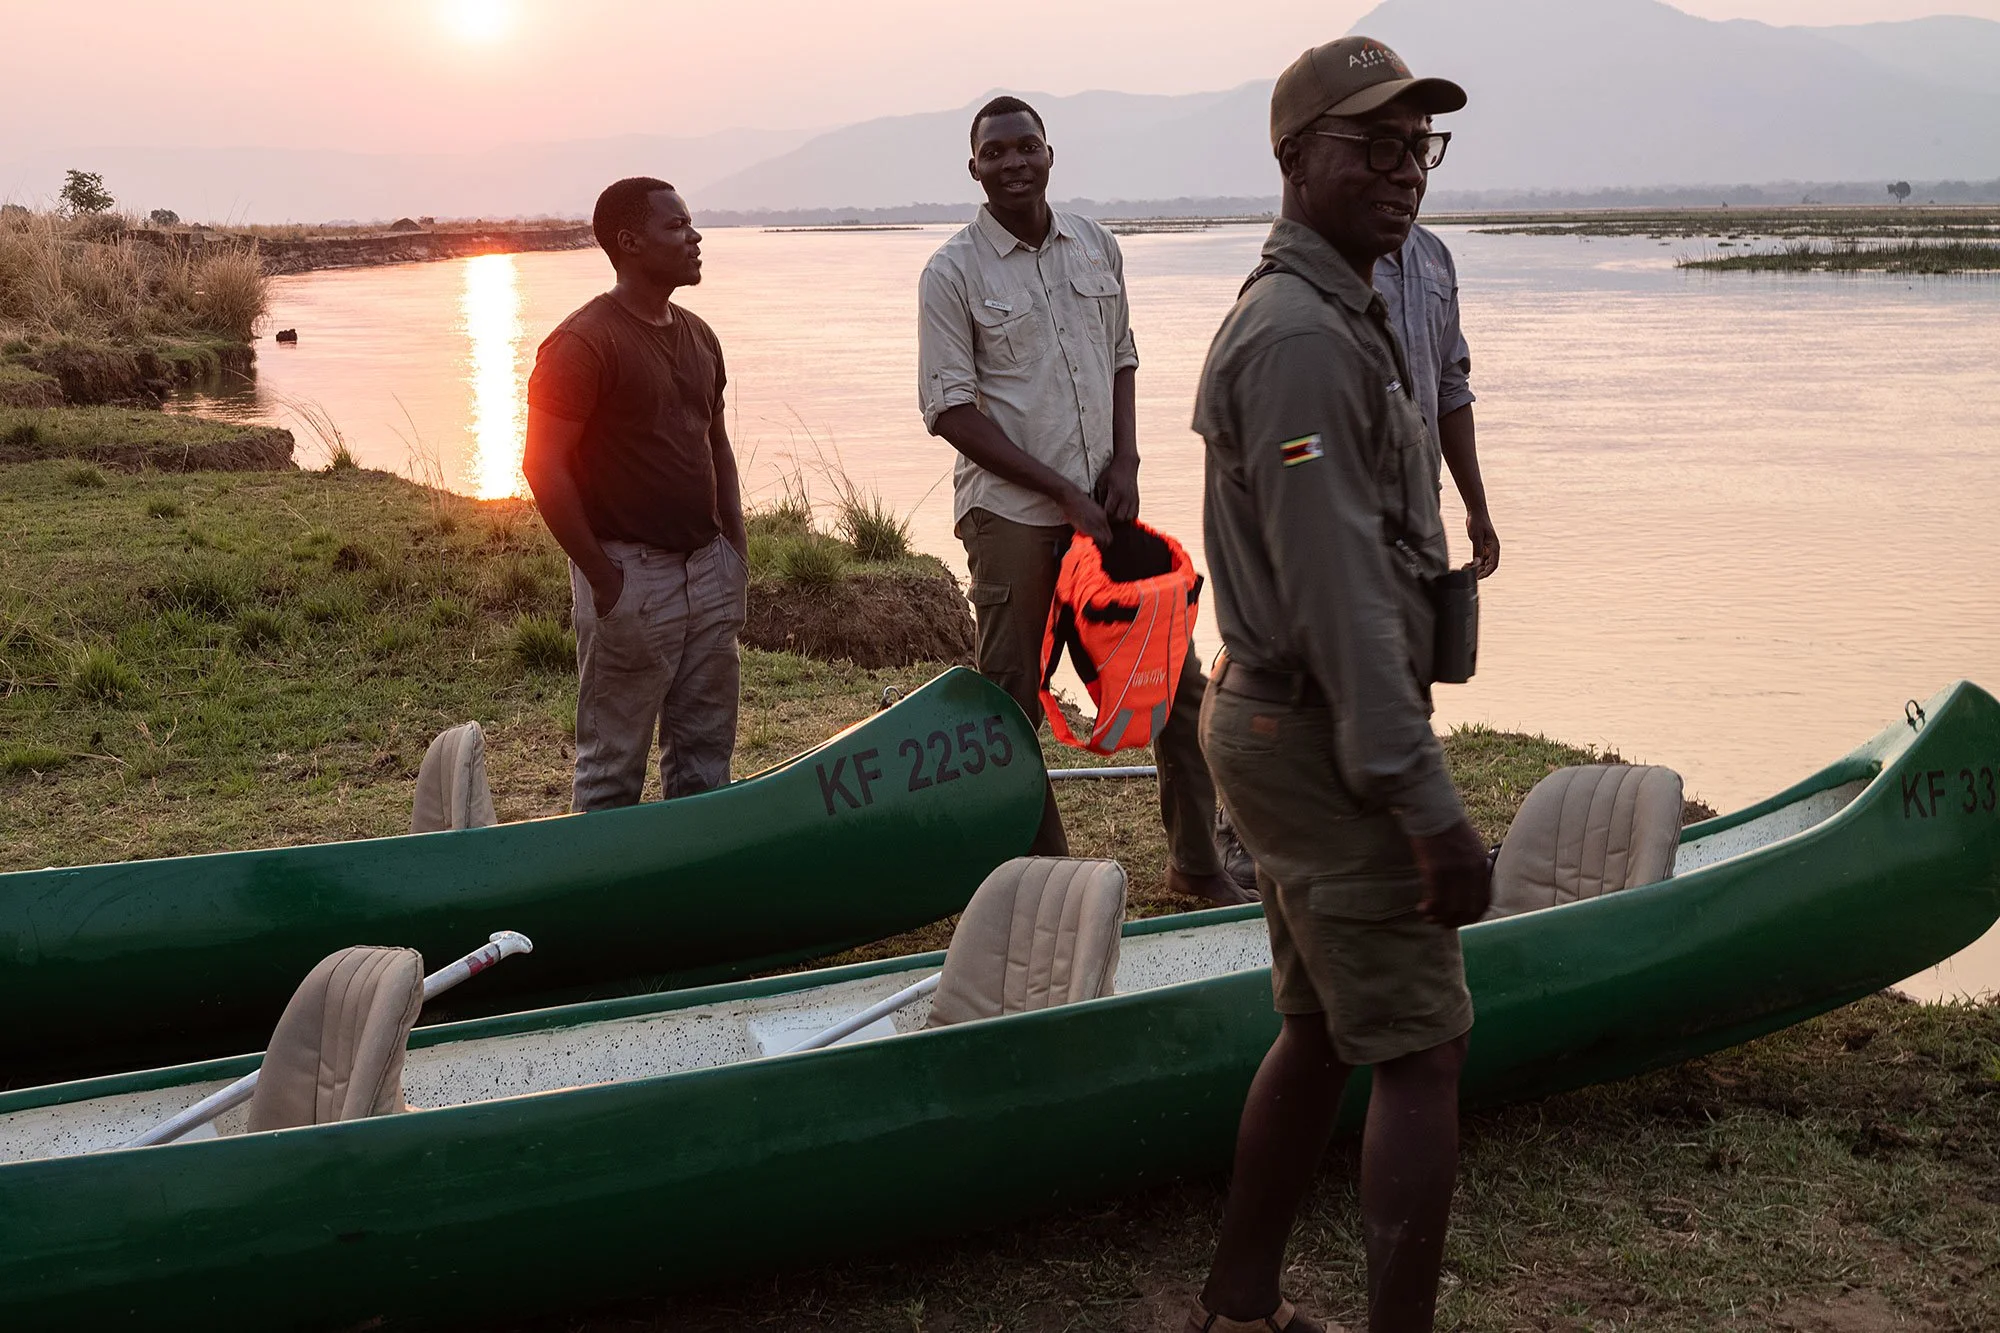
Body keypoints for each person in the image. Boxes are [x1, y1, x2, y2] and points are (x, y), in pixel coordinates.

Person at [1186, 38, 1493, 1333]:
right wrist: (1425, 801)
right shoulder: (1304, 339)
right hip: (1317, 729)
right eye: (1371, 145)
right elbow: (1342, 599)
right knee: (1420, 1050)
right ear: (1292, 160)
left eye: (1417, 146)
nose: (1402, 171)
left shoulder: (1351, 308)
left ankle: (1238, 1308)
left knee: (1319, 1030)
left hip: (1289, 720)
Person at [917, 96, 1249, 908]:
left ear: (1050, 156)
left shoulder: (1096, 245)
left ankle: (1197, 864)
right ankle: (1053, 885)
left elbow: (1123, 359)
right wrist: (1060, 488)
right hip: (1013, 520)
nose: (1013, 162)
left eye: (1026, 146)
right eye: (995, 152)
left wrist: (1124, 461)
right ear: (974, 169)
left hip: (1106, 514)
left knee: (1173, 683)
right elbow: (949, 410)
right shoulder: (951, 272)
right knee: (1011, 705)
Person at [522, 176, 748, 813]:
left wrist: (734, 551)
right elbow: (542, 465)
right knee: (612, 767)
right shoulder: (581, 343)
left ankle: (691, 894)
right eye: (676, 226)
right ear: (629, 243)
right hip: (631, 575)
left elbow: (717, 447)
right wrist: (603, 576)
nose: (694, 236)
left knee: (706, 759)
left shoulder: (700, 335)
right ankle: (601, 903)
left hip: (708, 570)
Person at [1376, 206, 1498, 577]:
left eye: (1420, 157)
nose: (1410, 174)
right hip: (1352, 517)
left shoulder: (1436, 258)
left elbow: (1450, 388)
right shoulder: (1337, 258)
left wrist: (1477, 508)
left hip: (1424, 507)